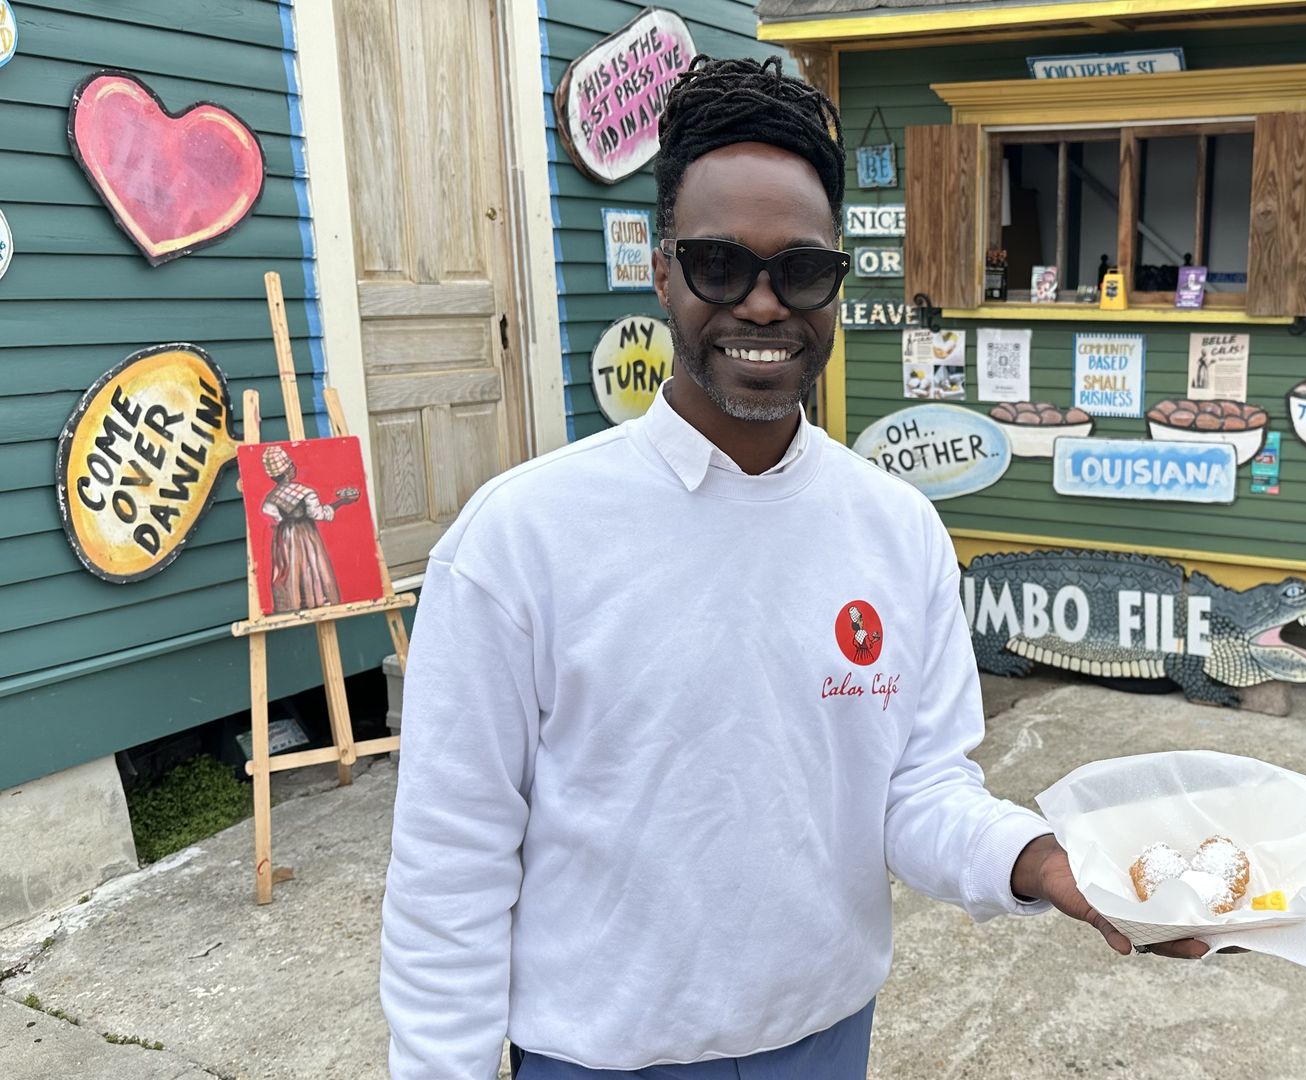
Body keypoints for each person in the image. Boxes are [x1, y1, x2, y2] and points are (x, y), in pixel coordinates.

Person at [379, 55, 1206, 1080]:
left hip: (824, 1039)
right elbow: (449, 875)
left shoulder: (897, 533)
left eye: (802, 270)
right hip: (594, 1057)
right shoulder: (520, 541)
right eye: (721, 265)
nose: (764, 305)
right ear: (662, 271)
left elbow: (917, 791)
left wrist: (1040, 862)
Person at [256, 445, 358, 613]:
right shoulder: (306, 492)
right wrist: (341, 502)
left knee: (291, 568)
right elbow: (317, 514)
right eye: (290, 465)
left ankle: (294, 602)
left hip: (285, 538)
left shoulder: (270, 499)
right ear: (288, 470)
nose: (293, 467)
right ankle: (316, 599)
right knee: (311, 565)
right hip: (305, 534)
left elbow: (275, 516)